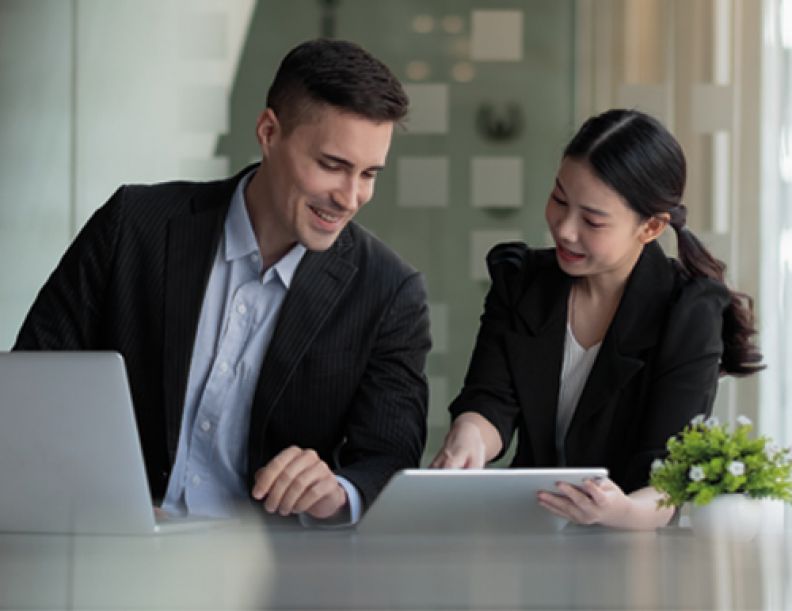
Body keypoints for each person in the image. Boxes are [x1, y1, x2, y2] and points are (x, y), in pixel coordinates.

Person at [13, 39, 430, 525]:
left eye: (369, 174)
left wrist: (337, 491)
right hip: (109, 543)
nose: (351, 196)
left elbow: (390, 459)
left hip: (269, 574)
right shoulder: (133, 227)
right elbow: (32, 384)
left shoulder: (388, 292)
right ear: (269, 131)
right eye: (332, 166)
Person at [431, 109, 763, 530]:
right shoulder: (521, 281)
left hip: (631, 545)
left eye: (592, 220)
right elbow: (492, 400)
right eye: (558, 199)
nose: (565, 230)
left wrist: (619, 510)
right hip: (529, 530)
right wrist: (470, 436)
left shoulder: (687, 314)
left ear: (651, 227)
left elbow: (668, 478)